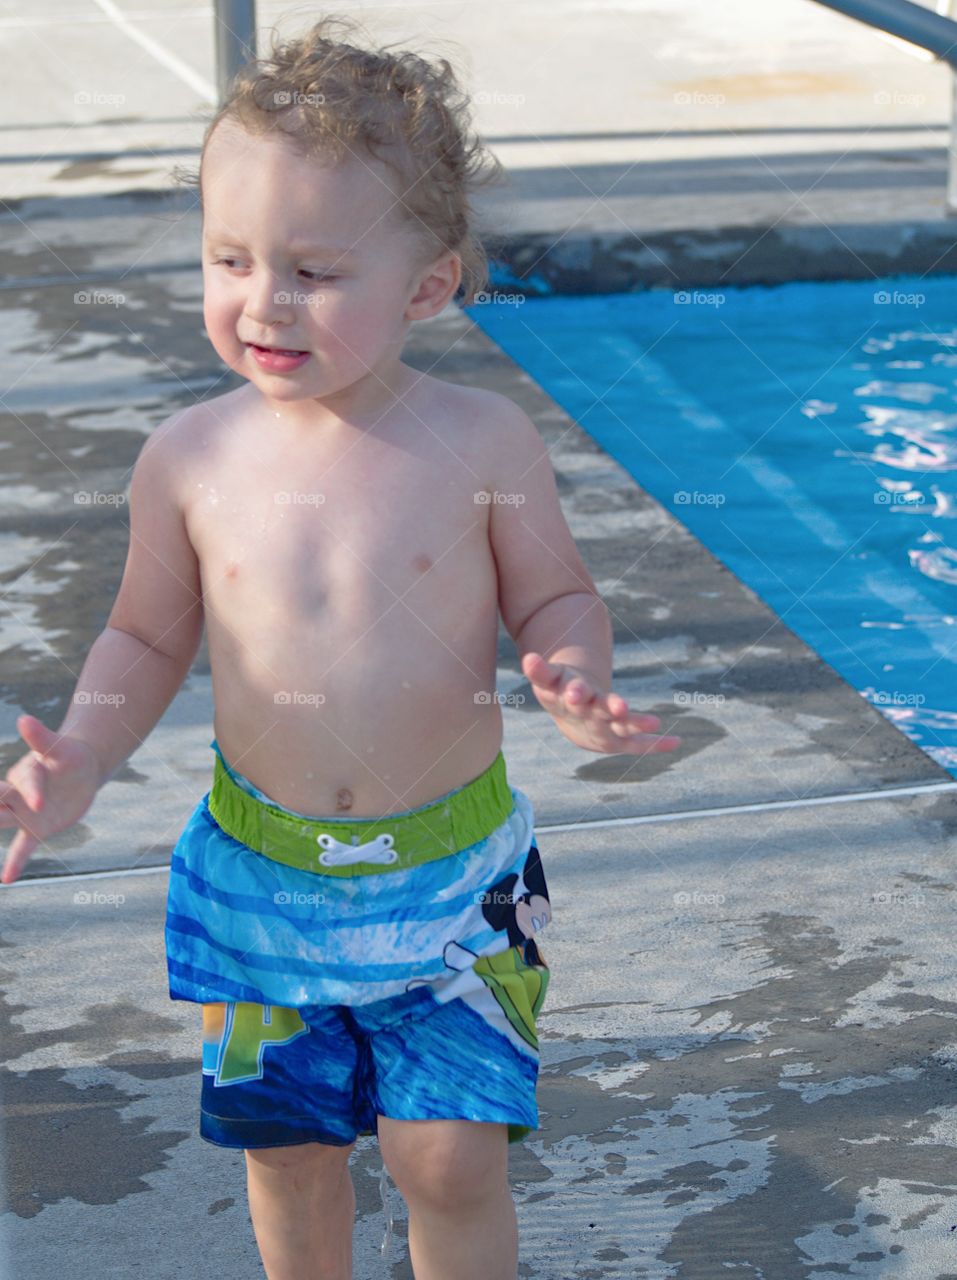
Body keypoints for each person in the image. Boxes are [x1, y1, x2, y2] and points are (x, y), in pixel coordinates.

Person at [0, 13, 681, 1279]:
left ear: (427, 287)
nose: (263, 300)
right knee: (289, 1150)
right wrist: (81, 755)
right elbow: (143, 633)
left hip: (452, 878)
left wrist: (575, 676)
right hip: (260, 878)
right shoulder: (189, 458)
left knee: (449, 1157)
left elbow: (558, 595)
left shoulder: (480, 441)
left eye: (313, 270)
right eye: (230, 257)